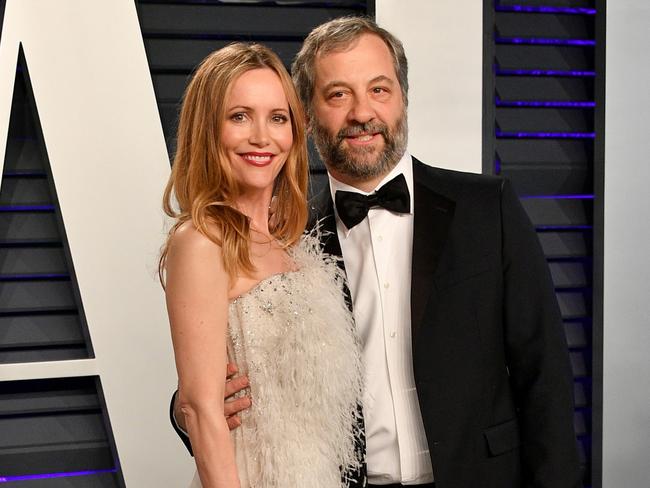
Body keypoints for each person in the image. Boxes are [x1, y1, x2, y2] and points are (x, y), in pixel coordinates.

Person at [173, 17, 582, 488]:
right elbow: (236, 369)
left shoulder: (488, 209)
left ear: (403, 99)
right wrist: (191, 409)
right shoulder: (290, 240)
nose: (362, 113)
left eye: (379, 90)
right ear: (307, 114)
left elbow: (545, 376)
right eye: (338, 94)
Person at [161, 43, 363, 488]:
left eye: (277, 117)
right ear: (207, 129)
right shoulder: (200, 240)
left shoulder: (294, 246)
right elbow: (199, 407)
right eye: (239, 116)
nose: (261, 137)